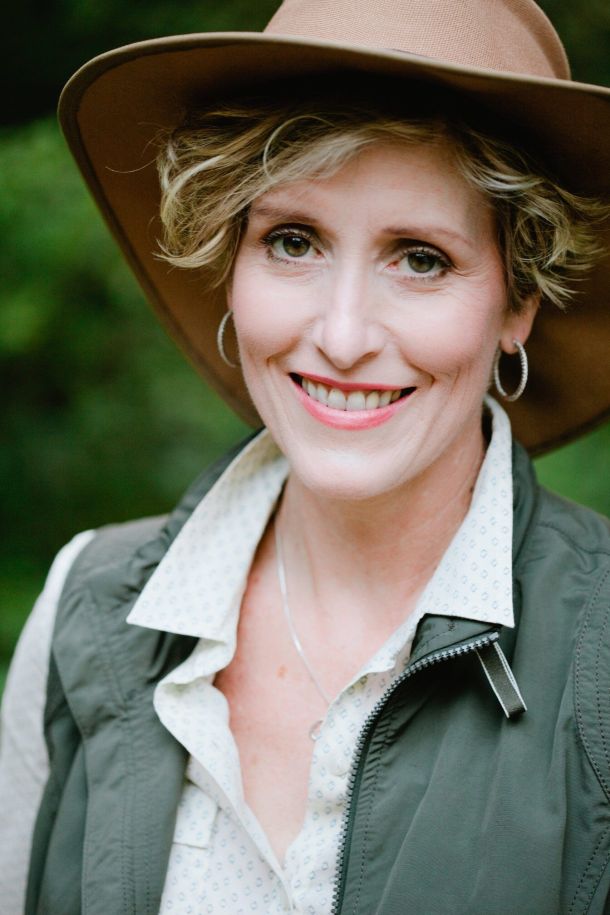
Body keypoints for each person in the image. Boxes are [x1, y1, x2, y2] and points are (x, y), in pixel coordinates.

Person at [2, 0, 610, 912]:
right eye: (294, 242)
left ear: (517, 302)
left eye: (420, 258)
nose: (343, 335)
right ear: (232, 265)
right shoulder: (86, 608)